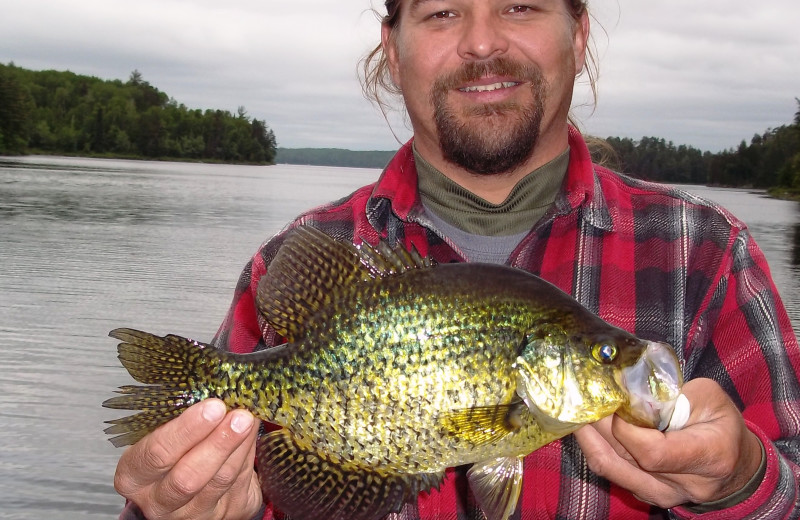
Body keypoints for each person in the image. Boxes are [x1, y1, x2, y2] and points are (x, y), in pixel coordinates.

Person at [113, 0, 800, 519]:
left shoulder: (706, 257)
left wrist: (743, 480)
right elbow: (209, 489)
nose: (481, 42)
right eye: (443, 10)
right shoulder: (291, 257)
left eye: (520, 4)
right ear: (393, 47)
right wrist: (181, 505)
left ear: (580, 34)